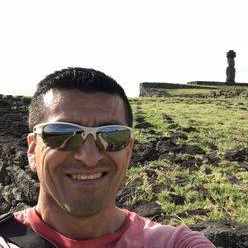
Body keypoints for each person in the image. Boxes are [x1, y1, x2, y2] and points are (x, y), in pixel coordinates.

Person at [0, 68, 215, 248]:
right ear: (32, 150)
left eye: (113, 135)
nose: (89, 157)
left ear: (128, 150)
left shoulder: (174, 244)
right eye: (62, 134)